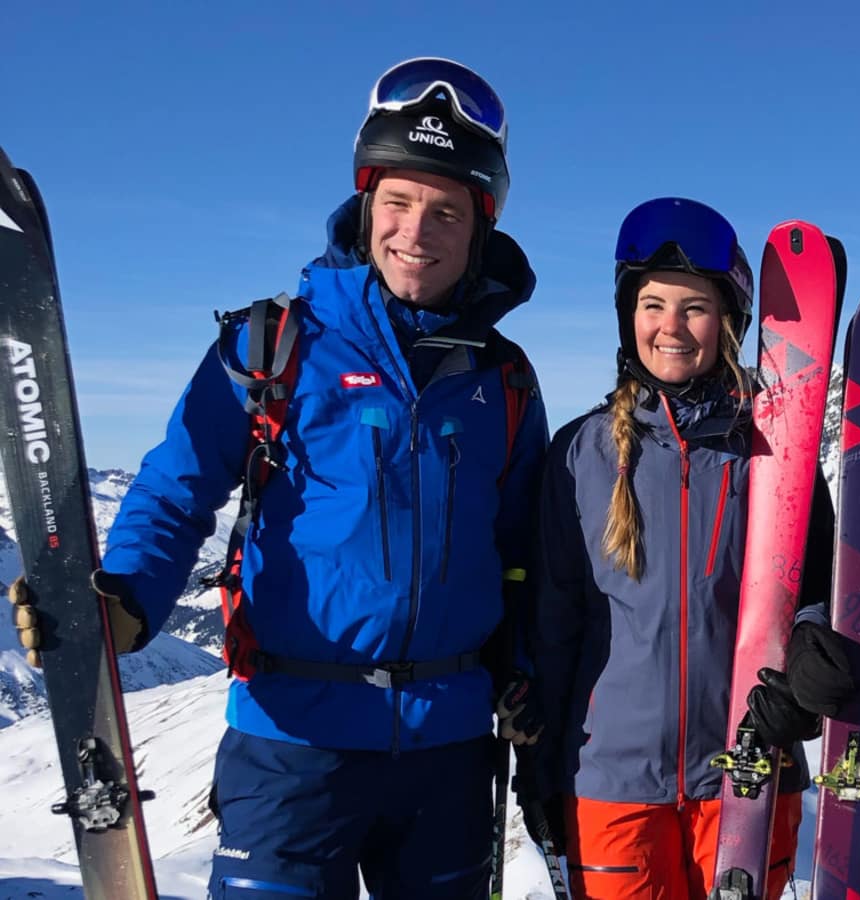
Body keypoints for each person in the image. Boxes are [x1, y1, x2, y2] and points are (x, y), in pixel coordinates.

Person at [9, 57, 547, 899]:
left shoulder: (504, 381)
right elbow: (175, 488)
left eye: (446, 211)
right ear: (366, 205)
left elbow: (519, 545)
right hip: (292, 744)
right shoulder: (272, 348)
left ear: (480, 229)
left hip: (448, 750)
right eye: (399, 203)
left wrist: (526, 672)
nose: (418, 231)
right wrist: (127, 603)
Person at [526, 197, 834, 900]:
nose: (670, 327)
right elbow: (554, 618)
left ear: (728, 322)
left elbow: (817, 589)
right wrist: (540, 764)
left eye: (693, 307)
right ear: (626, 317)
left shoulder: (775, 450)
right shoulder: (581, 453)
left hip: (748, 772)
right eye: (652, 304)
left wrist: (807, 665)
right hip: (611, 784)